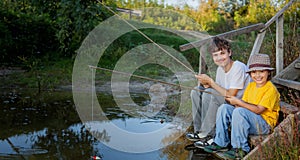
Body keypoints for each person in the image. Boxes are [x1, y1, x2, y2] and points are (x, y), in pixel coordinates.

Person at [203, 53, 280, 159]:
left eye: (261, 71)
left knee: (239, 111)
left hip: (264, 124)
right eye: (254, 72)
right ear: (250, 73)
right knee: (224, 108)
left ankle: (240, 149)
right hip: (251, 118)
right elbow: (243, 104)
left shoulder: (270, 89)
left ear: (268, 72)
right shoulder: (251, 86)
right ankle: (221, 142)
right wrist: (235, 104)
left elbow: (259, 110)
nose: (257, 75)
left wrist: (238, 103)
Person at [186, 37, 251, 148]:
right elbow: (219, 89)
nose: (219, 58)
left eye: (222, 53)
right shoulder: (220, 69)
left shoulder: (238, 67)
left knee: (210, 94)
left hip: (238, 106)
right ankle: (199, 131)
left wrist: (211, 82)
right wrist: (207, 85)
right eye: (215, 55)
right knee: (196, 92)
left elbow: (230, 94)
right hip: (226, 100)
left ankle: (211, 135)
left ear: (229, 52)